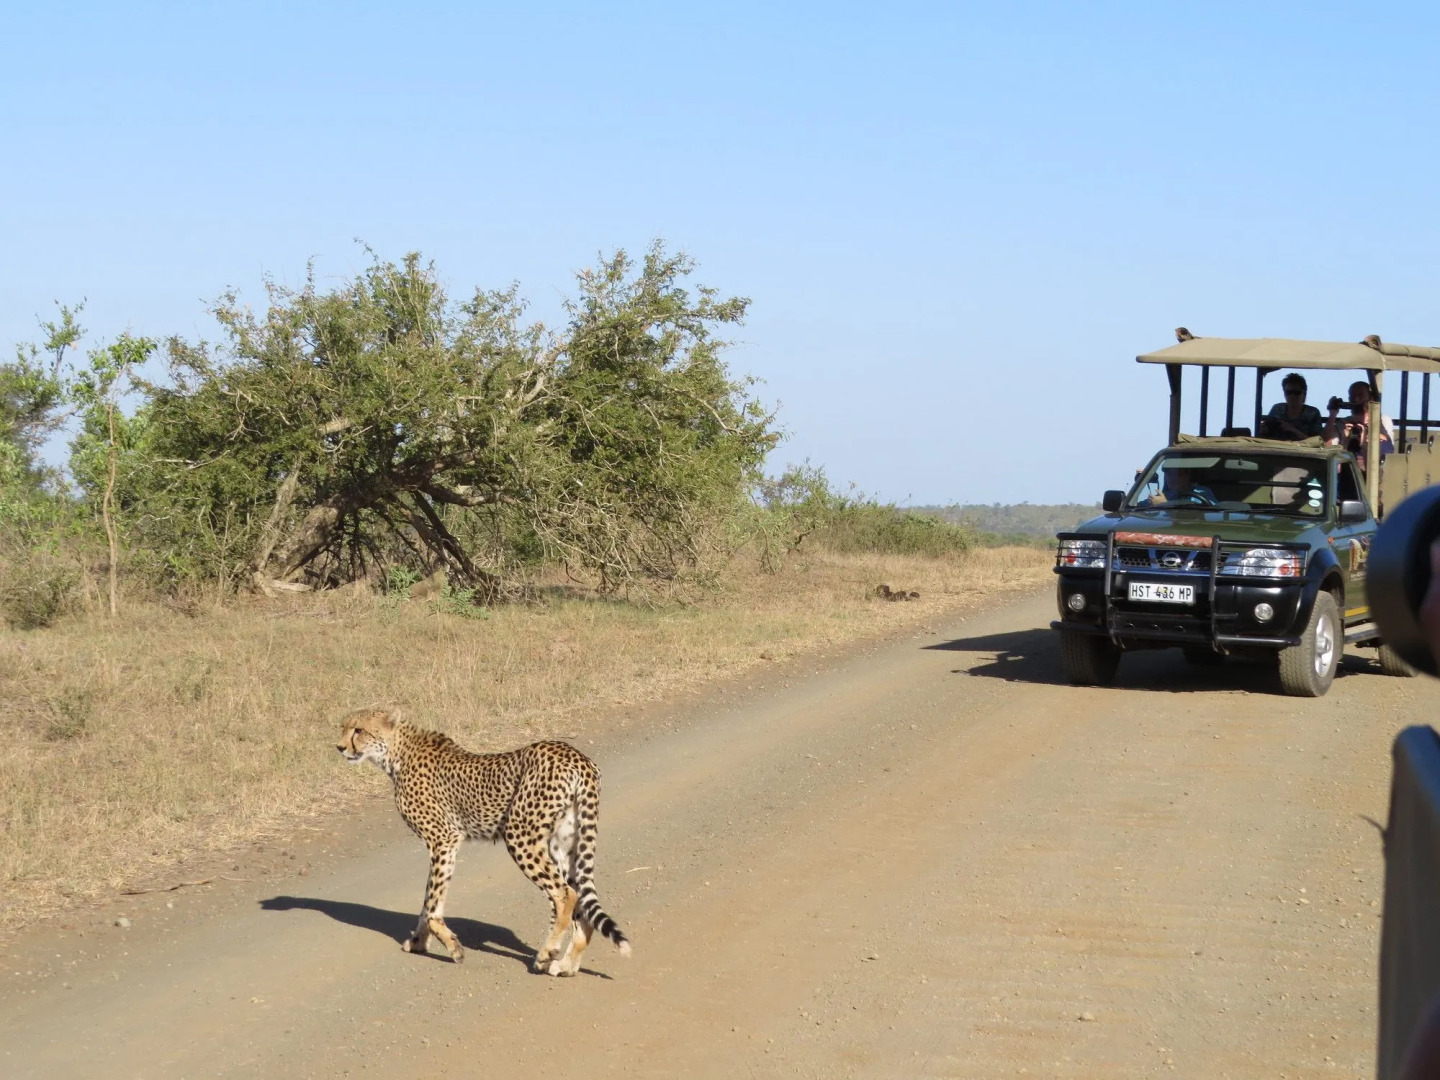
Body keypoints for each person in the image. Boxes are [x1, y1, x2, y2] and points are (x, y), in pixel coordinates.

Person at [1325, 380, 1396, 469]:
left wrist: (1368, 437)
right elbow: (1326, 447)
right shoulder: (1343, 424)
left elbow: (1389, 453)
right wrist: (1333, 414)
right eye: (1353, 396)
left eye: (1360, 395)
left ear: (1370, 398)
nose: (1356, 399)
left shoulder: (1383, 421)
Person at [1261, 373, 1324, 441]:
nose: (1292, 396)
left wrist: (1292, 430)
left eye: (1297, 393)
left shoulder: (1313, 413)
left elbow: (1317, 442)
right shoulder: (1277, 409)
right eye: (1288, 393)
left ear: (1304, 394)